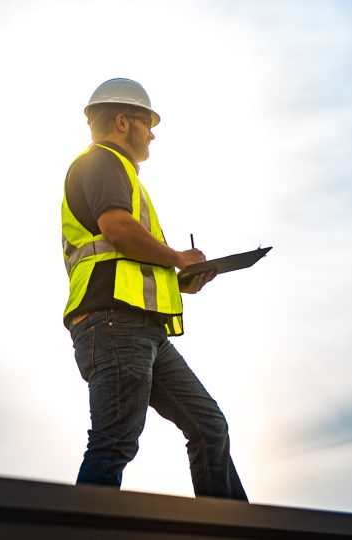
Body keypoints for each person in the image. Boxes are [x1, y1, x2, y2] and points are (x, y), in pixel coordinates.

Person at [61, 78, 248, 500]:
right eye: (148, 122)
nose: (153, 132)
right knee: (114, 441)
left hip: (139, 326)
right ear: (123, 121)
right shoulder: (103, 163)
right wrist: (178, 258)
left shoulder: (116, 171)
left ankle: (227, 525)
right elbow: (118, 230)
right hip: (114, 322)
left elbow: (125, 255)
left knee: (208, 426)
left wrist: (179, 280)